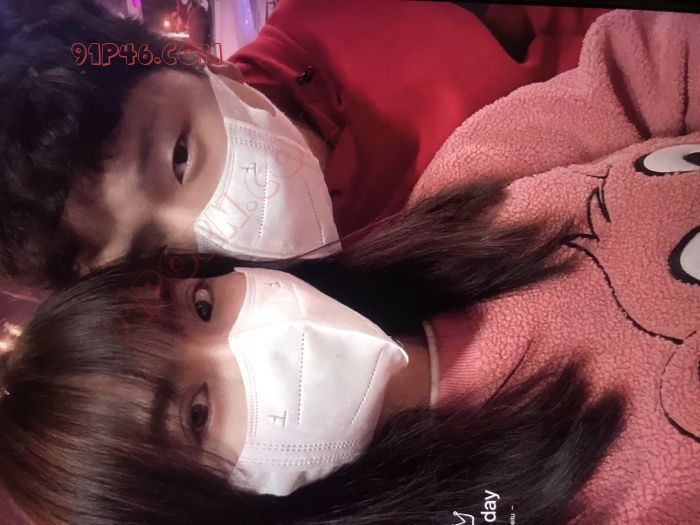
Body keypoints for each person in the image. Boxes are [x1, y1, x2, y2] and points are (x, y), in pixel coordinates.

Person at [0, 182, 624, 524]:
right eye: (197, 414)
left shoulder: (469, 202)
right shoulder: (504, 511)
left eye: (203, 307)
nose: (256, 338)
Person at [0, 0, 607, 286]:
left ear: (195, 60)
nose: (212, 233)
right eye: (151, 251)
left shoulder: (353, 14)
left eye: (180, 157)